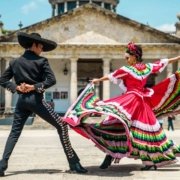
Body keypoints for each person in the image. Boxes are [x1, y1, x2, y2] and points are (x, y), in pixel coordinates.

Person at [64, 42, 180, 171]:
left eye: (127, 57)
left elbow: (111, 76)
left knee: (131, 130)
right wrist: (178, 58)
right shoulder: (148, 67)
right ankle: (116, 157)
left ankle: (148, 162)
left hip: (132, 102)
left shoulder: (127, 70)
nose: (126, 60)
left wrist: (97, 80)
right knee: (128, 128)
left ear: (134, 56)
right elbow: (163, 62)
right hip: (138, 102)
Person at [0, 32, 87, 177]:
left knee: (14, 133)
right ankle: (73, 162)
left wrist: (16, 88)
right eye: (40, 46)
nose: (41, 49)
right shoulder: (41, 61)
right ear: (34, 45)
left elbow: (2, 80)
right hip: (36, 101)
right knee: (62, 126)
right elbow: (51, 80)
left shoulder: (15, 62)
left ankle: (2, 165)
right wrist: (34, 87)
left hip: (22, 101)